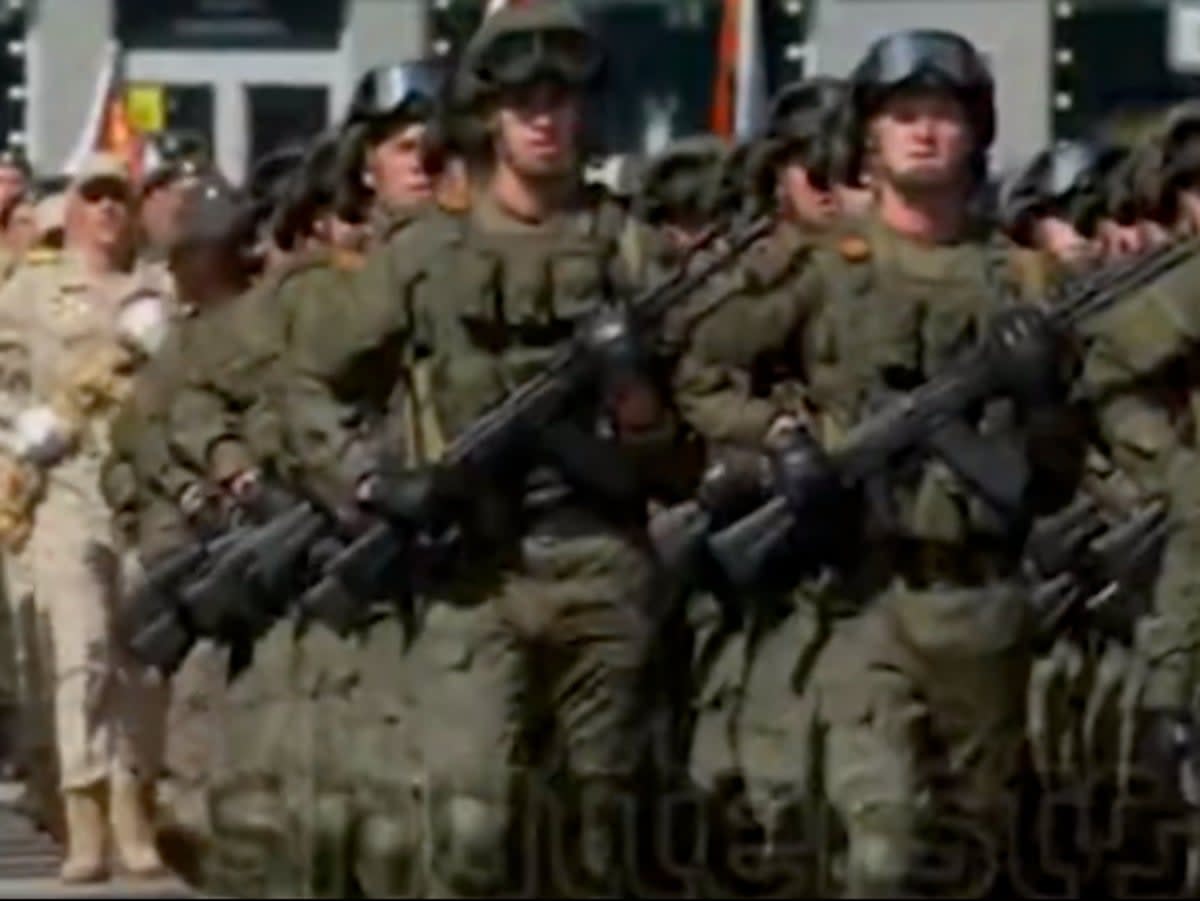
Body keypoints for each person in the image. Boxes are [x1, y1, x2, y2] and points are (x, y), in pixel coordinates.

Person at [674, 30, 1062, 895]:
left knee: (971, 853)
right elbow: (701, 373)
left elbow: (1063, 459)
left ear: (977, 132)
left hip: (980, 602)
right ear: (870, 138)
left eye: (945, 117)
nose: (925, 134)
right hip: (860, 596)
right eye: (904, 117)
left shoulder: (1023, 280)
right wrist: (784, 440)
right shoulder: (822, 266)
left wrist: (1039, 396)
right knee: (879, 840)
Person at [0, 152, 175, 884]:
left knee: (143, 657)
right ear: (69, 207)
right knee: (81, 655)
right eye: (93, 196)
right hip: (64, 489)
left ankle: (138, 802)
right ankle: (86, 813)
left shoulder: (159, 291)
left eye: (118, 197)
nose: (106, 210)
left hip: (142, 490)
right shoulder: (32, 289)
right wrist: (22, 433)